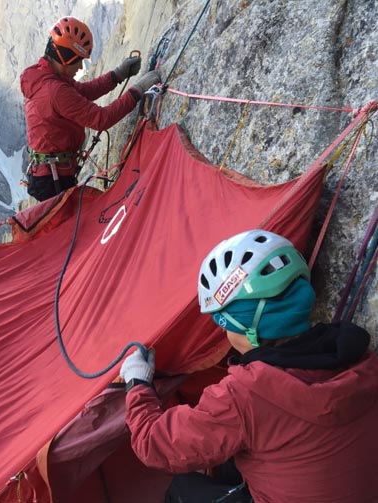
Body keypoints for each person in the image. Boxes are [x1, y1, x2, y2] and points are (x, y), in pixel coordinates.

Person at [119, 229, 378, 502]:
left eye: (225, 326)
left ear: (246, 328)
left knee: (183, 489)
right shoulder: (360, 357)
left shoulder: (244, 397)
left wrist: (137, 384)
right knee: (232, 459)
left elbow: (154, 445)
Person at [20, 16, 161, 202]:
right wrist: (138, 91)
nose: (80, 67)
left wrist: (117, 75)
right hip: (54, 182)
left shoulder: (43, 76)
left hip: (49, 176)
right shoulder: (55, 90)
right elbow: (102, 119)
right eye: (78, 60)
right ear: (66, 57)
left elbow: (83, 92)